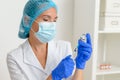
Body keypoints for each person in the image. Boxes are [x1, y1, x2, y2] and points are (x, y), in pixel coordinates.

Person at [7, 0, 92, 80]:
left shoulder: (64, 47)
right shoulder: (15, 57)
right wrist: (54, 76)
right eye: (46, 19)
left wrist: (79, 67)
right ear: (27, 21)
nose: (52, 25)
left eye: (54, 20)